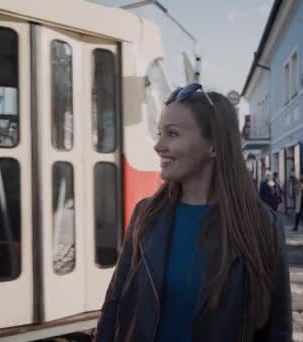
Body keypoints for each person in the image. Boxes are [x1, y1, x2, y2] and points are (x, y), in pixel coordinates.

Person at [94, 83, 292, 342]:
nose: (158, 146)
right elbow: (114, 307)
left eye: (172, 134)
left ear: (214, 146)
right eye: (159, 133)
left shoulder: (262, 226)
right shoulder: (146, 215)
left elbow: (277, 331)